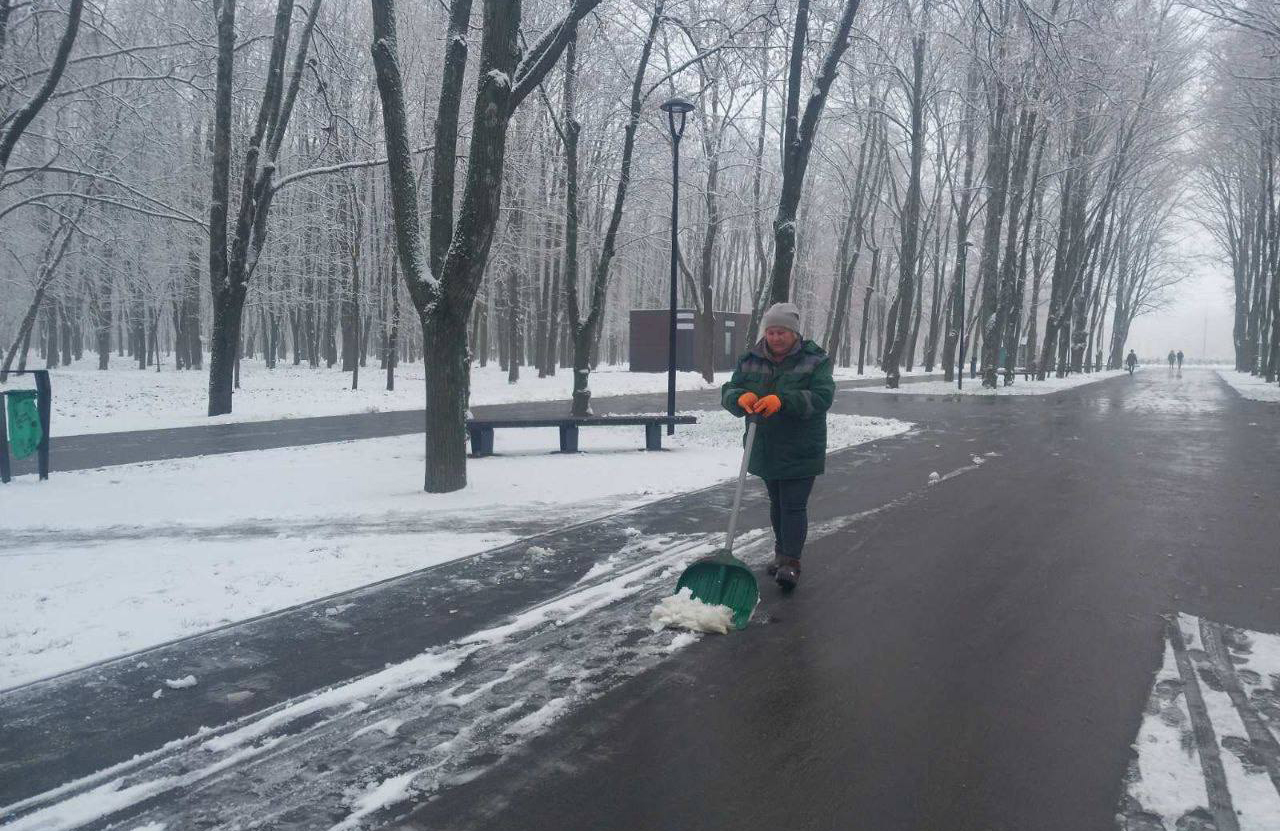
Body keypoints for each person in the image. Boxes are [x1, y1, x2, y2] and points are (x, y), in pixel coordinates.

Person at [721, 302, 835, 590]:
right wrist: (739, 398)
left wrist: (783, 401)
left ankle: (791, 563)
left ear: (794, 333)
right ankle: (781, 553)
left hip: (801, 446)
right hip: (765, 445)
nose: (775, 337)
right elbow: (729, 390)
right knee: (777, 503)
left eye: (782, 331)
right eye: (771, 331)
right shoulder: (750, 359)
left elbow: (822, 397)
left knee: (793, 505)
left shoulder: (815, 360)